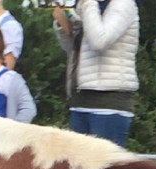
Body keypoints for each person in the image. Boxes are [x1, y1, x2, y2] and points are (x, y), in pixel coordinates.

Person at [52, 0, 139, 147]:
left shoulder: (123, 4)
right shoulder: (91, 6)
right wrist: (63, 26)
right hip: (81, 100)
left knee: (106, 168)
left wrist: (88, 4)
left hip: (109, 104)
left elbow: (99, 42)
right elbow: (75, 51)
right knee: (78, 167)